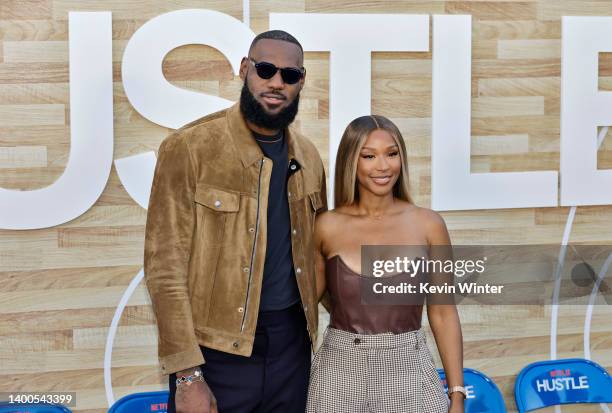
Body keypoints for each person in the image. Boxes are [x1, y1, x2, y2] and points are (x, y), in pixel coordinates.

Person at [144, 30, 326, 413]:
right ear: (245, 69)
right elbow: (165, 269)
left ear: (301, 81)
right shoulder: (190, 148)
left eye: (289, 75)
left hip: (292, 348)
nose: (277, 83)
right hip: (217, 355)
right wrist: (188, 375)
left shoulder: (309, 157)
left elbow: (321, 255)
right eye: (265, 70)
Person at [308, 115, 465, 412]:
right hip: (339, 374)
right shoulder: (326, 226)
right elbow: (304, 308)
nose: (383, 166)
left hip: (408, 369)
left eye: (391, 154)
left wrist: (456, 394)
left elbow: (443, 312)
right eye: (369, 156)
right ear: (351, 162)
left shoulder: (429, 224)